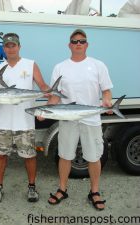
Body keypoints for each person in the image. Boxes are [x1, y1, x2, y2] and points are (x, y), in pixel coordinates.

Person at [46, 29, 113, 210]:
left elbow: (106, 90)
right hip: (68, 118)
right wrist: (45, 110)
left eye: (81, 41)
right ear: (69, 45)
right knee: (65, 155)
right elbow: (54, 96)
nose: (78, 44)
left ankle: (95, 191)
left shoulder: (98, 65)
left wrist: (107, 101)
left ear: (87, 44)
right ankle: (62, 189)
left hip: (91, 118)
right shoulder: (60, 67)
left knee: (93, 157)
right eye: (74, 41)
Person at [0, 33, 51, 203]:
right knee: (0, 155)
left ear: (19, 47)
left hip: (25, 120)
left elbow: (43, 86)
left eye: (13, 45)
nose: (11, 48)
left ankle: (32, 187)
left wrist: (52, 93)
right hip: (2, 121)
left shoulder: (30, 65)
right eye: (7, 46)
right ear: (4, 48)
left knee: (29, 156)